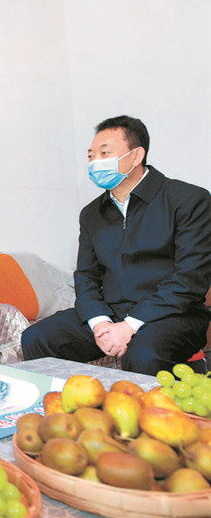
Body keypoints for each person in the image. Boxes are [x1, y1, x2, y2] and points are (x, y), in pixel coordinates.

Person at [22, 115, 211, 375]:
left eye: (105, 153)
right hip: (112, 312)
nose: (95, 162)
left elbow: (189, 279)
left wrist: (130, 325)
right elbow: (86, 276)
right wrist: (99, 322)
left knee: (143, 355)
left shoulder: (188, 200)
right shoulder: (92, 214)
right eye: (91, 156)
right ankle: (66, 401)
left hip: (172, 315)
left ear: (136, 156)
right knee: (38, 337)